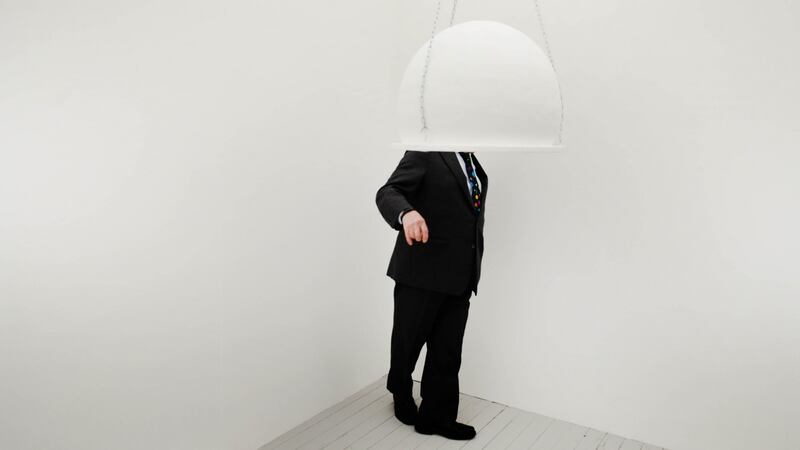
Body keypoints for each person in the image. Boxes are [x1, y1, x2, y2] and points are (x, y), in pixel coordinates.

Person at [375, 150, 488, 440]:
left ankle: (436, 417)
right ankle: (400, 393)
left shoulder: (472, 162)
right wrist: (406, 213)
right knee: (407, 343)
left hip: (460, 275)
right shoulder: (426, 153)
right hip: (421, 272)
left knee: (447, 352)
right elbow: (389, 191)